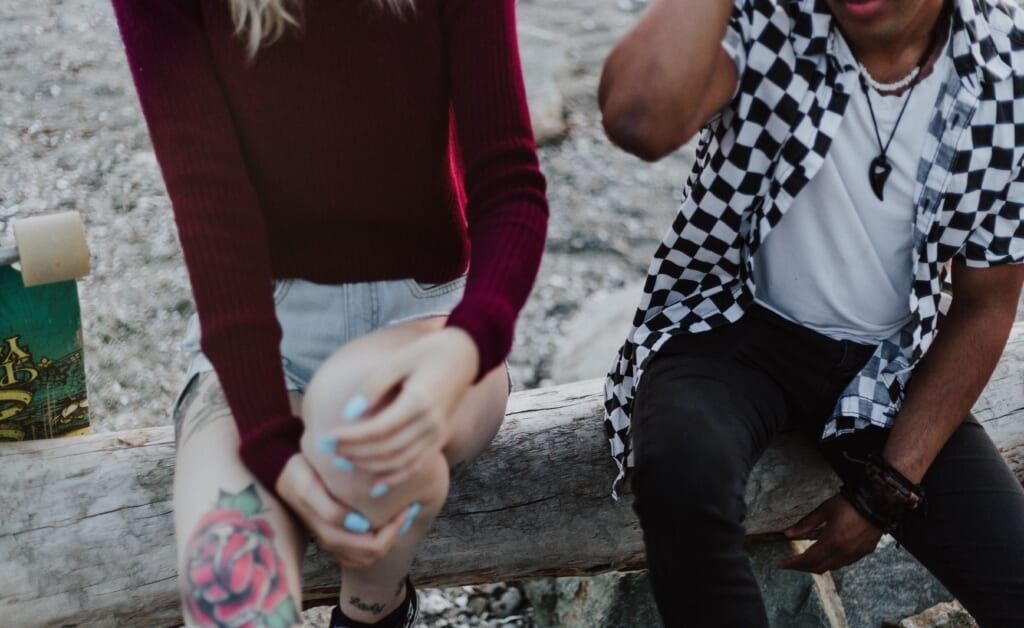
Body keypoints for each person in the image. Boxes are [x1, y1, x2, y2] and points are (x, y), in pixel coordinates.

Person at [111, 0, 548, 626]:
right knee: (227, 599)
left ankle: (373, 610)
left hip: (431, 326)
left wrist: (462, 350)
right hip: (261, 338)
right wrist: (272, 449)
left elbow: (510, 186)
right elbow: (213, 214)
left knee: (352, 414)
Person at [599, 0, 1024, 625]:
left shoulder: (1008, 68)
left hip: (888, 367)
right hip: (732, 333)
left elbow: (985, 305)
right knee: (682, 477)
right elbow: (637, 119)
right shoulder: (771, 16)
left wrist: (886, 491)